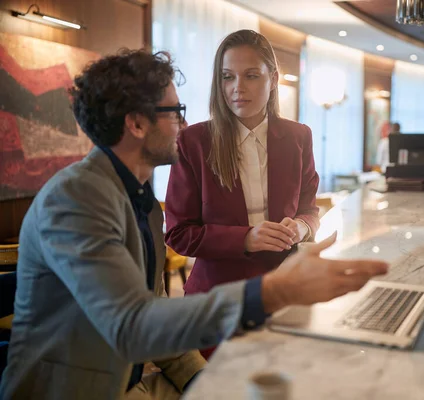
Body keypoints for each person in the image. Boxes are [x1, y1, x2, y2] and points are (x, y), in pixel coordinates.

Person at [0, 49, 388, 400]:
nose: (184, 125)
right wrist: (273, 290)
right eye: (174, 112)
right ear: (136, 124)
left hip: (136, 377)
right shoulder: (75, 200)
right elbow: (133, 325)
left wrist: (199, 378)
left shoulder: (141, 201)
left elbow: (154, 308)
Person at [165, 31, 318, 296]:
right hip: (218, 294)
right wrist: (246, 238)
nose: (238, 87)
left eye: (251, 75)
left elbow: (309, 210)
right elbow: (179, 234)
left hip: (287, 285)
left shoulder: (299, 136)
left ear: (273, 79)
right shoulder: (194, 142)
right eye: (228, 77)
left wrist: (302, 227)